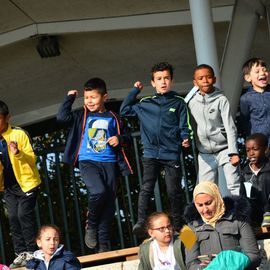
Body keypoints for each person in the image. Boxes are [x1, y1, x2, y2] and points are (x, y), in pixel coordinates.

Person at [57, 77, 132, 253]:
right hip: (87, 161)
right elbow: (61, 118)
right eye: (86, 97)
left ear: (104, 97)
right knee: (99, 192)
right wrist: (69, 98)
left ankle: (103, 246)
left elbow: (127, 136)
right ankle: (90, 225)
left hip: (110, 163)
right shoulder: (81, 116)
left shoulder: (114, 117)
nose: (89, 101)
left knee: (108, 204)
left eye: (93, 97)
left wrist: (119, 139)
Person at [120, 62, 191, 235]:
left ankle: (177, 224)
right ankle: (142, 222)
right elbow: (124, 110)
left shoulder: (179, 102)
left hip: (171, 153)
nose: (163, 82)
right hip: (151, 153)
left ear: (172, 81)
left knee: (174, 190)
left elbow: (185, 125)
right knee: (147, 187)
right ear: (153, 83)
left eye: (166, 78)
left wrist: (185, 138)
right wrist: (134, 91)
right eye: (159, 79)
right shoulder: (145, 103)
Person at [187, 64, 240, 195]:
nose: (205, 81)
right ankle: (213, 216)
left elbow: (230, 126)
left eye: (209, 77)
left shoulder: (221, 100)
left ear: (214, 79)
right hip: (204, 153)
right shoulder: (191, 103)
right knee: (206, 189)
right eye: (201, 78)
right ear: (195, 82)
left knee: (234, 185)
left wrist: (234, 152)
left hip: (225, 150)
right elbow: (188, 125)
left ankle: (242, 214)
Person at [0, 100, 41, 268]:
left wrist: (17, 153)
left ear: (7, 117)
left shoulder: (19, 134)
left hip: (26, 183)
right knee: (13, 217)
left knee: (24, 215)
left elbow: (32, 159)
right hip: (8, 187)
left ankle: (31, 252)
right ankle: (20, 253)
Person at [184, 181, 261, 270]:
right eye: (200, 205)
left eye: (208, 203)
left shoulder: (240, 217)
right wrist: (212, 267)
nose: (205, 210)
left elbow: (254, 256)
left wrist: (231, 264)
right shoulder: (187, 230)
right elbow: (190, 264)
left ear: (217, 198)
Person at [240, 133, 270, 227]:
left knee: (265, 179)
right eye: (248, 150)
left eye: (255, 149)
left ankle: (268, 214)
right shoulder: (245, 173)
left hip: (268, 210)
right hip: (254, 214)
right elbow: (243, 196)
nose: (251, 153)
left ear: (265, 150)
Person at [240, 57, 270, 146]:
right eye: (257, 71)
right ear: (248, 78)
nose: (262, 73)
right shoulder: (246, 99)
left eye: (264, 70)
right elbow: (245, 122)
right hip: (260, 145)